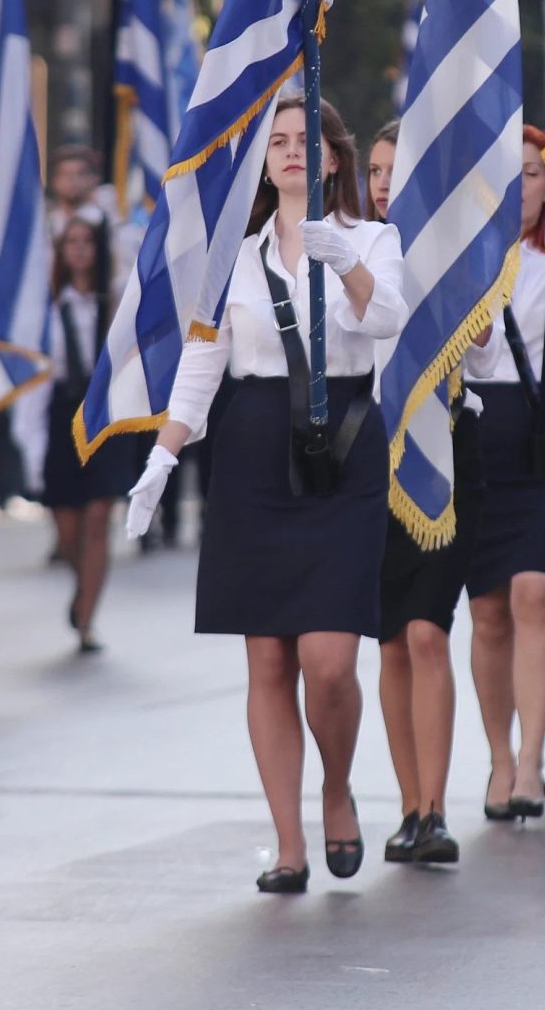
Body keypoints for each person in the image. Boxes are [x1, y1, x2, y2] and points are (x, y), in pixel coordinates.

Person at [123, 95, 406, 891]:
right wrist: (164, 455)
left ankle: (339, 784)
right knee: (269, 659)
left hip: (343, 444)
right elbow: (204, 362)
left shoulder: (372, 238)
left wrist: (340, 259)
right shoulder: (234, 257)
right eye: (276, 143)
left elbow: (386, 318)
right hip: (252, 449)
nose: (289, 153)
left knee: (329, 662)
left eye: (303, 141)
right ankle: (289, 843)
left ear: (331, 158)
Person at [362, 123, 486, 861]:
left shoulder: (452, 258)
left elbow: (489, 350)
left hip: (443, 452)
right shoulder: (353, 252)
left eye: (394, 170)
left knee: (427, 630)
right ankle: (407, 805)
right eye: (375, 170)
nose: (383, 183)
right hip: (371, 466)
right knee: (388, 644)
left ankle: (436, 808)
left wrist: (464, 310)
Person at [42, 214, 137, 652]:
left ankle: (87, 620)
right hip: (61, 413)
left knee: (98, 517)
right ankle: (82, 586)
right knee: (66, 524)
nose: (80, 250)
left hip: (105, 412)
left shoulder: (115, 298)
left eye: (88, 242)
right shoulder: (47, 304)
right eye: (72, 242)